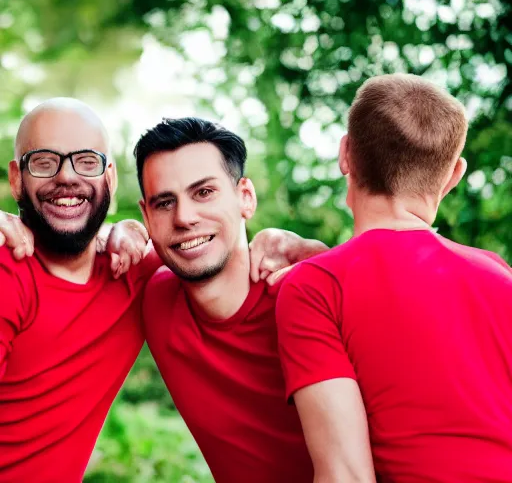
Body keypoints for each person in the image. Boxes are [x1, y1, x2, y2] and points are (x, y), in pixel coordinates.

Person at [0, 101, 322, 481]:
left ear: (110, 179)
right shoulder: (14, 272)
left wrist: (323, 257)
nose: (184, 217)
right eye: (44, 161)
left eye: (85, 161)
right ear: (18, 179)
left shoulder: (139, 273)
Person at [276, 74, 512, 482]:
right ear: (454, 174)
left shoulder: (316, 287)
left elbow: (344, 475)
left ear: (345, 154)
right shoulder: (499, 275)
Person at [134, 117, 376, 483]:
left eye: (204, 193)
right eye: (165, 203)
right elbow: (80, 244)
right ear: (147, 217)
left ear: (245, 197)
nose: (184, 218)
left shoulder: (310, 299)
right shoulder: (152, 295)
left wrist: (322, 257)